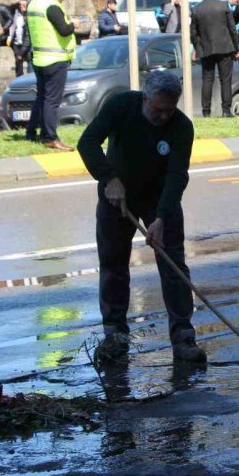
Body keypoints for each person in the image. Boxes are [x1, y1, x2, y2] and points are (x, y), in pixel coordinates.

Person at [77, 71, 206, 365]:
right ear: (145, 97)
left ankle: (184, 337)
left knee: (174, 266)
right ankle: (115, 337)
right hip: (116, 197)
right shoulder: (120, 106)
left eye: (169, 110)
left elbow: (177, 175)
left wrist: (161, 217)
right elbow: (87, 143)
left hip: (160, 200)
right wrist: (108, 179)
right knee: (113, 265)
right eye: (157, 109)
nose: (163, 116)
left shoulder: (181, 127)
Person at [26, 0, 76, 150]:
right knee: (52, 100)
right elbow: (63, 30)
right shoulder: (51, 6)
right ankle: (50, 137)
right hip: (55, 59)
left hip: (39, 57)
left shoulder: (34, 3)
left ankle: (31, 132)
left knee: (41, 97)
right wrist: (74, 25)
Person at [190, 0, 239, 117]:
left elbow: (193, 33)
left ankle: (206, 112)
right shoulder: (223, 5)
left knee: (207, 79)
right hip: (225, 47)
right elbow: (232, 28)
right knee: (226, 80)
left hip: (206, 49)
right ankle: (226, 111)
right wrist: (236, 48)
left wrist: (197, 48)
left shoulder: (196, 9)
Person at [8, 0, 31, 77]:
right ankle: (19, 78)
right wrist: (10, 37)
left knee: (29, 61)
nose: (21, 6)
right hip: (17, 41)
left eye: (23, 5)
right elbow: (13, 26)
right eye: (20, 4)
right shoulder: (16, 14)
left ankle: (30, 79)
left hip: (27, 43)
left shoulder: (29, 15)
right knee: (18, 61)